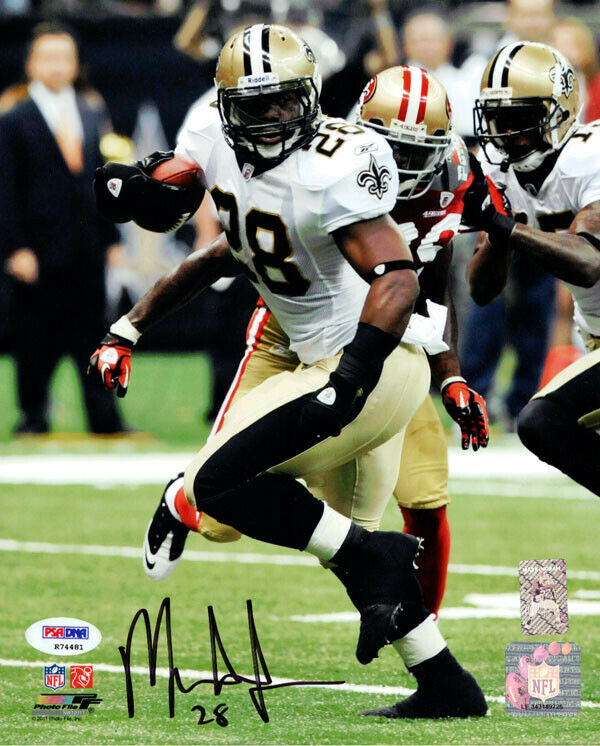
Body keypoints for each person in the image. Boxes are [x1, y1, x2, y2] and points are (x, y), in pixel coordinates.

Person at [90, 24, 487, 719]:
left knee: (219, 485)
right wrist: (130, 305)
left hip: (372, 364)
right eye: (255, 105)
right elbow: (204, 237)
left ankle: (363, 554)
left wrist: (351, 378)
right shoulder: (213, 143)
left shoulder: (339, 162)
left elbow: (399, 279)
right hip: (321, 355)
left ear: (311, 98)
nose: (272, 118)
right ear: (226, 108)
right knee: (348, 541)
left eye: (284, 101)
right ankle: (446, 683)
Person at [147, 65, 490, 620]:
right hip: (291, 332)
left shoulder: (452, 177)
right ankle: (183, 495)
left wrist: (450, 374)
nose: (403, 167)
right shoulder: (322, 165)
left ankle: (424, 643)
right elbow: (228, 250)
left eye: (418, 153)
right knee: (220, 510)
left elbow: (430, 271)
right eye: (393, 150)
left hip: (386, 347)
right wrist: (130, 326)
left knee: (424, 494)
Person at [465, 40, 600, 496]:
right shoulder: (502, 173)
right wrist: (495, 230)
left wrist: (506, 226)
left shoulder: (589, 156)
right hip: (595, 338)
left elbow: (589, 262)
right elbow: (482, 290)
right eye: (497, 119)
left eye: (521, 117)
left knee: (543, 420)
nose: (507, 132)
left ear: (559, 113)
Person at [0, 21, 128, 435]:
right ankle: (33, 416)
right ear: (31, 64)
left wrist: (111, 239)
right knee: (35, 337)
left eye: (64, 57)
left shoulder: (91, 112)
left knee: (95, 335)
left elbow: (100, 181)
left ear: (76, 64)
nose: (56, 66)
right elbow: (5, 189)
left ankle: (105, 418)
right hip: (38, 249)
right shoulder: (13, 118)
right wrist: (15, 247)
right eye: (47, 57)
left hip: (86, 246)